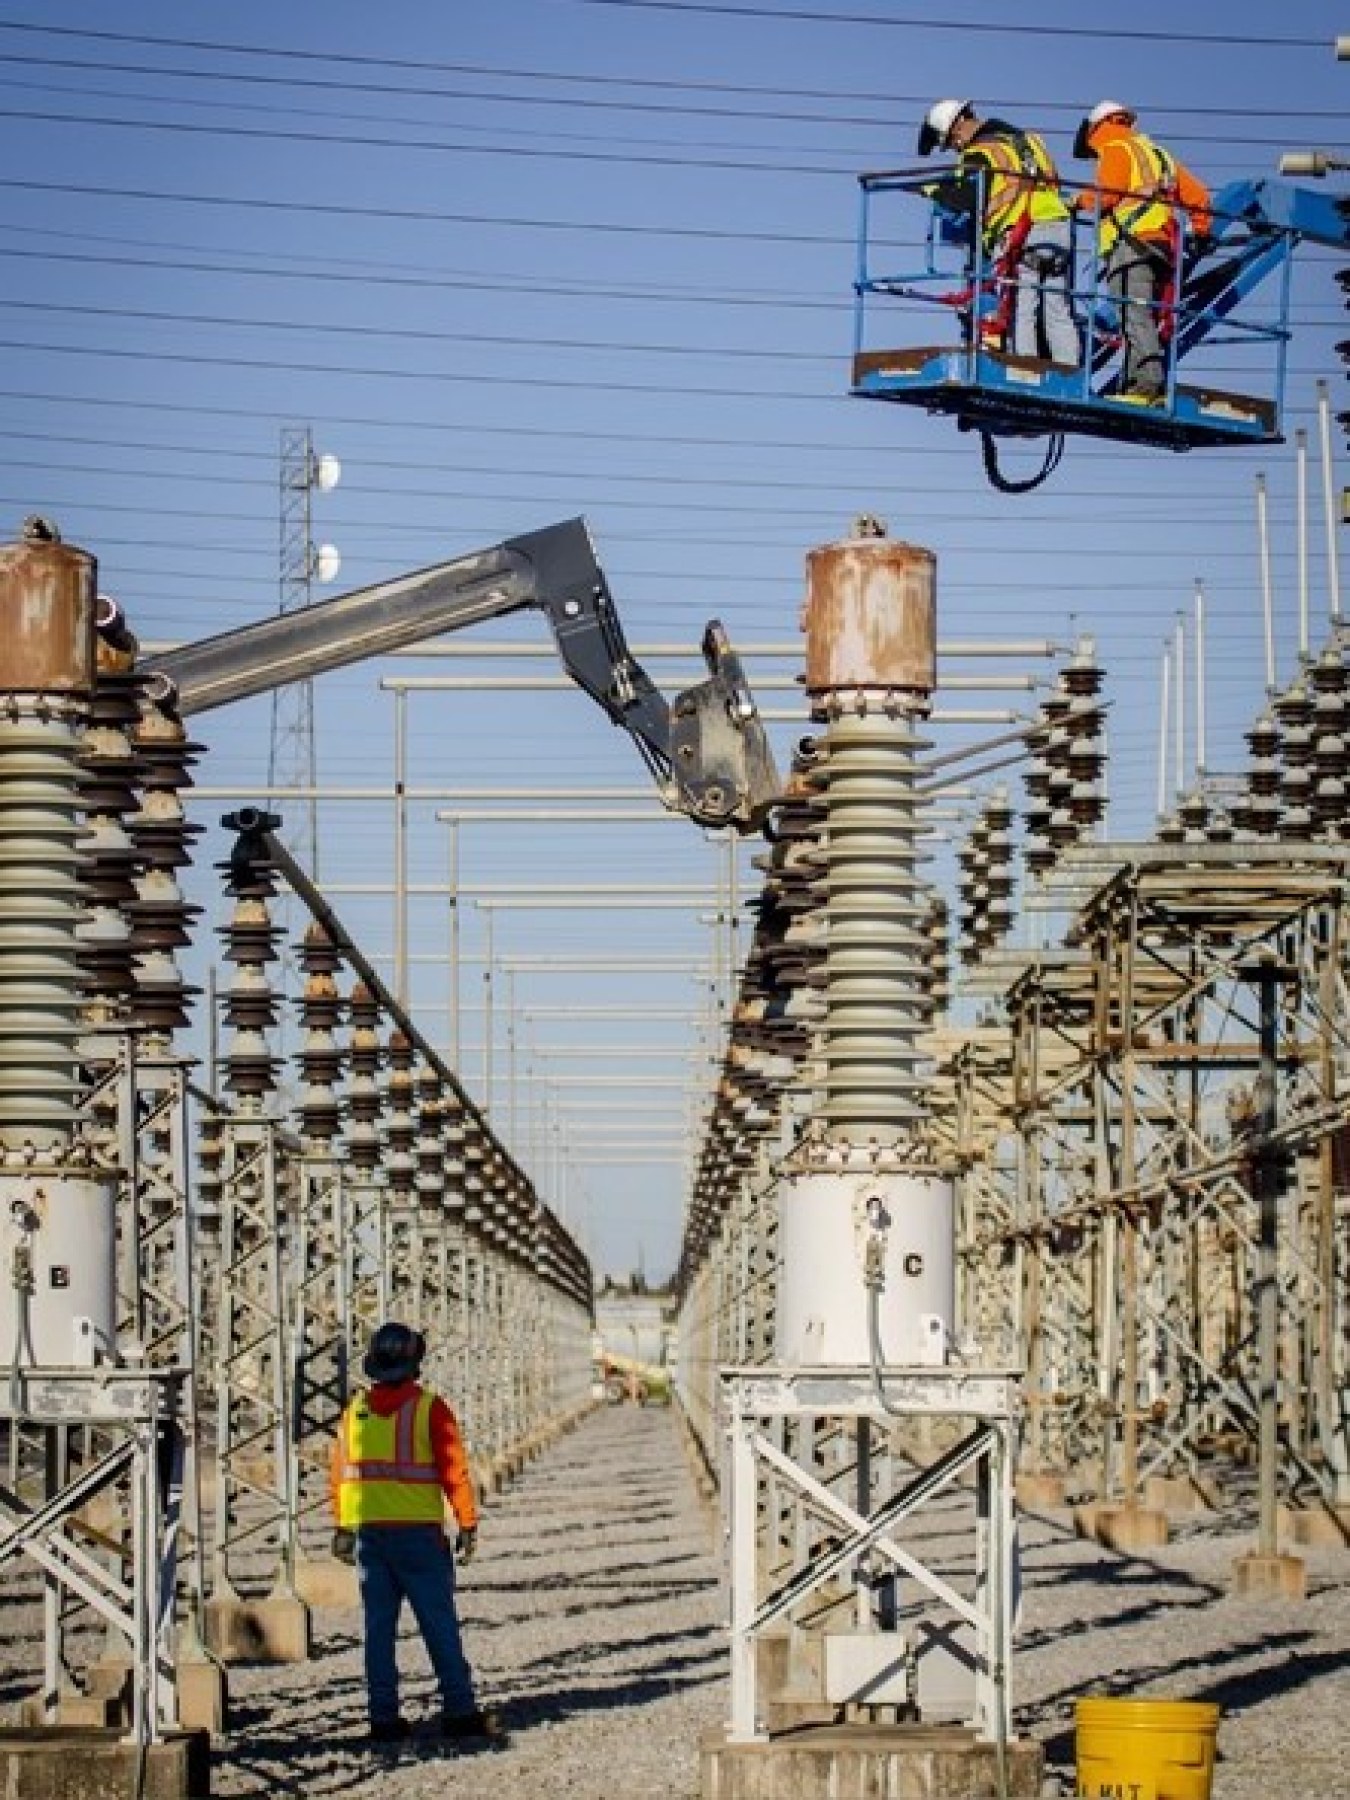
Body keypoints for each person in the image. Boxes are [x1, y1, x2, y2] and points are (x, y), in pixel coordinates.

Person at [330, 1321, 505, 1749]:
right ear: (414, 1362)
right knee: (438, 1625)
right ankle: (460, 1712)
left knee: (378, 1632)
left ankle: (383, 1719)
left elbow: (341, 1475)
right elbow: (454, 1472)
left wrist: (342, 1527)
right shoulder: (430, 1409)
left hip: (372, 1538)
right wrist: (467, 1523)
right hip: (420, 1539)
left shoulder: (355, 1412)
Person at [917, 98, 1080, 367]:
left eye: (949, 142)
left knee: (1021, 308)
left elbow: (968, 197)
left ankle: (1027, 369)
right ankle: (1069, 369)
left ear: (958, 125)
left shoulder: (982, 151)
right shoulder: (1031, 143)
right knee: (1057, 308)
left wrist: (931, 189)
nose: (955, 148)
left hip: (1020, 231)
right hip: (1058, 226)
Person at [1072, 100, 1212, 403]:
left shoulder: (1115, 148)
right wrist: (1201, 231)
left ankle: (1147, 387)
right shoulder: (1158, 154)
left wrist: (1076, 202)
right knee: (1141, 313)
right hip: (1161, 244)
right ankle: (1138, 384)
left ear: (1098, 127)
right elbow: (1198, 194)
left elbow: (1108, 194)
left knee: (1132, 314)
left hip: (1132, 243)